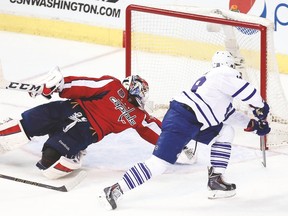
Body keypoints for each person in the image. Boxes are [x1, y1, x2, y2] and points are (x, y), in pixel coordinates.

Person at [98, 50, 271, 210]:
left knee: (225, 131)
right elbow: (248, 91)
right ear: (229, 65)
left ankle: (216, 181)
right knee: (159, 164)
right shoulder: (223, 73)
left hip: (193, 120)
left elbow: (227, 115)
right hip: (183, 119)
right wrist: (261, 106)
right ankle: (115, 189)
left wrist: (254, 126)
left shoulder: (215, 88)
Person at [0, 67, 165, 179]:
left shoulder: (138, 115)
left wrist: (174, 140)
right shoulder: (113, 85)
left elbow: (153, 130)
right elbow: (85, 85)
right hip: (68, 108)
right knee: (24, 125)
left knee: (49, 163)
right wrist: (60, 86)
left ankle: (73, 154)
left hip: (85, 129)